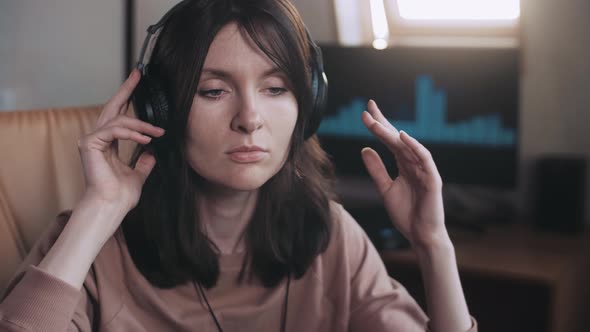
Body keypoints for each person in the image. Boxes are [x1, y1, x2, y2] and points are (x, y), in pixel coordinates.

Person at [0, 0, 477, 331]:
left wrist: (433, 244)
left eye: (275, 89)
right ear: (163, 108)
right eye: (214, 91)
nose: (250, 119)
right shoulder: (90, 244)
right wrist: (100, 211)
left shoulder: (329, 235)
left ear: (306, 104)